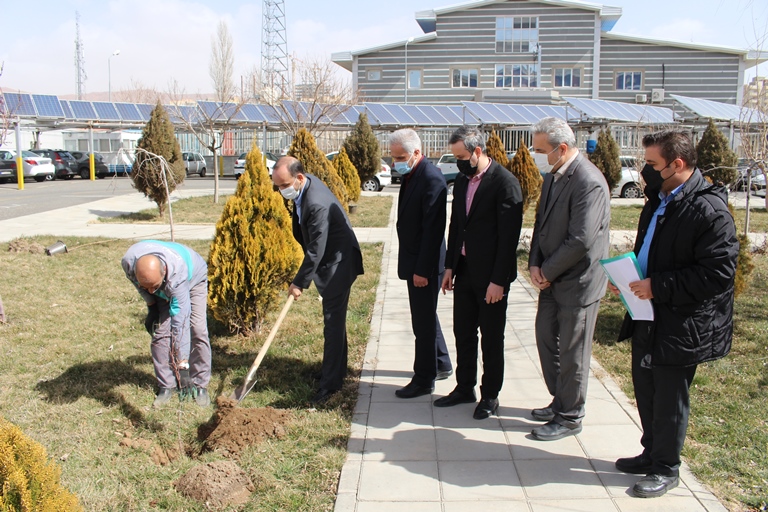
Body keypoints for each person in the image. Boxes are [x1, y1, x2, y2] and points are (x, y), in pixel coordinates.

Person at [611, 130, 738, 498]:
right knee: (646, 388)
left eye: (651, 165)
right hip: (647, 311)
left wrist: (658, 286)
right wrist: (629, 276)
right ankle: (651, 452)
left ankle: (667, 467)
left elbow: (717, 274)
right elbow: (651, 248)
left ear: (676, 164)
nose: (645, 173)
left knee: (669, 397)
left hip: (681, 321)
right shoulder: (659, 199)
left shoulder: (709, 210)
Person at [528, 117, 610, 441]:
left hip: (578, 282)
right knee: (546, 337)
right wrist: (535, 264)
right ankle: (559, 399)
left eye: (540, 150)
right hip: (549, 277)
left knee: (573, 351)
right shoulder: (552, 177)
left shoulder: (588, 181)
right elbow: (540, 224)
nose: (537, 155)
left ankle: (570, 415)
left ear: (561, 149)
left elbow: (581, 240)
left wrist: (546, 272)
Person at [435, 125, 523, 420]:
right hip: (465, 270)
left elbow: (509, 238)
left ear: (477, 151)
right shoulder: (462, 181)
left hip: (492, 277)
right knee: (463, 332)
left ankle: (490, 395)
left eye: (462, 156)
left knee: (491, 337)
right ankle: (464, 387)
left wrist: (499, 281)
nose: (458, 161)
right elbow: (456, 224)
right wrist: (449, 266)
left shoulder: (505, 183)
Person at [272, 156, 364, 404]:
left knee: (332, 323)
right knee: (335, 323)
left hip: (338, 263)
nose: (281, 191)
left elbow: (316, 249)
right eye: (277, 186)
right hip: (330, 257)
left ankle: (331, 385)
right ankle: (335, 371)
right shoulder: (304, 186)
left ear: (299, 177)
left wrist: (299, 282)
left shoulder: (316, 204)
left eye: (284, 185)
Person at [389, 128, 453, 399]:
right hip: (415, 260)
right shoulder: (413, 174)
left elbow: (433, 230)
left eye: (400, 157)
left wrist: (422, 271)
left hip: (424, 266)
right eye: (393, 157)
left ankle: (424, 378)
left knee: (422, 323)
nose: (396, 163)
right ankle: (441, 362)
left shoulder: (431, 178)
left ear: (416, 152)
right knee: (426, 316)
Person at [121, 241, 212, 408]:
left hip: (194, 278)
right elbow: (139, 285)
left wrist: (183, 365)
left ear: (163, 274)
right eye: (146, 286)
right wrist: (152, 305)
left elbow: (180, 322)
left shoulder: (177, 277)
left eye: (153, 287)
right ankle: (166, 385)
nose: (150, 291)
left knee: (197, 329)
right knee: (161, 334)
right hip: (160, 282)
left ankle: (199, 384)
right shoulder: (129, 263)